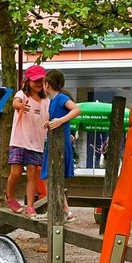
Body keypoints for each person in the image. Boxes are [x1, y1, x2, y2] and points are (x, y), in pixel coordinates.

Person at [4, 65, 49, 218]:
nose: (38, 84)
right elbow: (15, 103)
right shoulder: (22, 94)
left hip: (36, 143)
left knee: (32, 173)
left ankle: (30, 206)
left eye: (41, 81)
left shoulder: (46, 101)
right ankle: (9, 196)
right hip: (19, 140)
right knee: (16, 172)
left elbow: (50, 118)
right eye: (35, 81)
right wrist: (20, 106)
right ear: (27, 81)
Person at [40, 69, 82, 222]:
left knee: (49, 177)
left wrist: (60, 121)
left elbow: (77, 110)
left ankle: (62, 210)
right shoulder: (53, 101)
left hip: (58, 145)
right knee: (49, 177)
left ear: (47, 84)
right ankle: (62, 210)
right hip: (53, 143)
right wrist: (50, 122)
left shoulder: (61, 98)